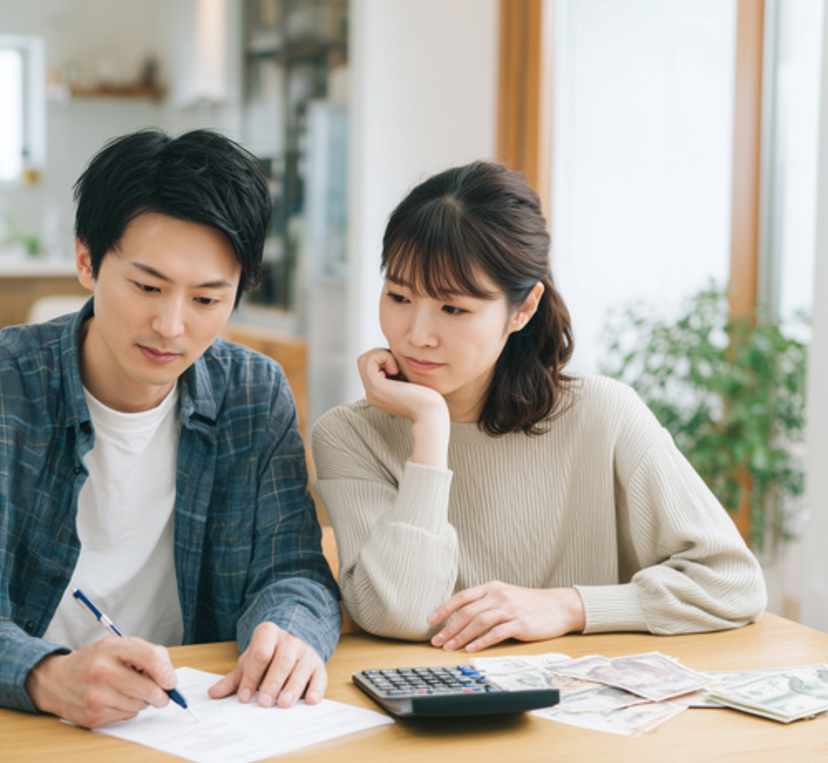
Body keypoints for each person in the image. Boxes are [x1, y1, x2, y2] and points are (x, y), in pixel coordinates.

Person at [0, 129, 342, 728]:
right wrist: (46, 674)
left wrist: (290, 629)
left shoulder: (254, 394)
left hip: (193, 727)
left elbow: (293, 569)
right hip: (15, 724)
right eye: (147, 287)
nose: (171, 326)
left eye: (206, 300)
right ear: (87, 261)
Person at [310, 160, 766, 654]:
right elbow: (399, 613)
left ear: (522, 309)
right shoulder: (348, 435)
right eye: (398, 296)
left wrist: (568, 606)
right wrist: (430, 426)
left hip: (584, 714)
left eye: (454, 308)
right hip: (439, 719)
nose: (415, 335)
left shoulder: (603, 414)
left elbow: (733, 583)